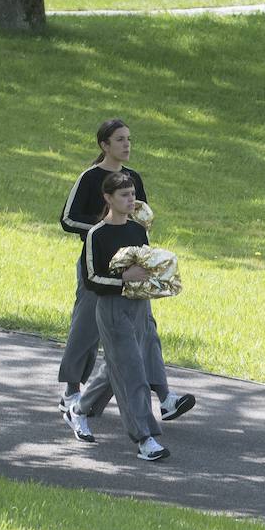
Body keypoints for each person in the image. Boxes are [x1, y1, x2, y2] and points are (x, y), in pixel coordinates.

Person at [57, 119, 193, 442]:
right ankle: (72, 393)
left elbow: (140, 218)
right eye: (120, 140)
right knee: (86, 330)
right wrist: (102, 231)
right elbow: (67, 218)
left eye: (129, 139)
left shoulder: (134, 179)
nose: (127, 145)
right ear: (105, 145)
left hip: (133, 266)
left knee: (144, 330)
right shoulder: (90, 179)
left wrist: (145, 253)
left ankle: (165, 396)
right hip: (99, 263)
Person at [64, 172, 171, 461]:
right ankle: (145, 439)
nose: (130, 199)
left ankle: (78, 409)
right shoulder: (96, 234)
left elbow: (145, 265)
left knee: (117, 368)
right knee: (134, 373)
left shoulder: (138, 231)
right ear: (108, 198)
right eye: (124, 195)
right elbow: (92, 280)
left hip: (137, 307)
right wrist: (124, 279)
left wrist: (159, 276)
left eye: (132, 193)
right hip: (111, 310)